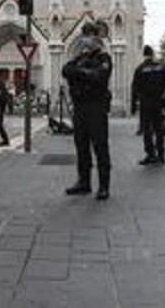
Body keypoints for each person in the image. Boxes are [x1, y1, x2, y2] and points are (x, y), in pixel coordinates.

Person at [61, 23, 113, 199]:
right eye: (84, 35)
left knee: (100, 146)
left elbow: (100, 76)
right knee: (81, 146)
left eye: (89, 35)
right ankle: (84, 182)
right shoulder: (80, 58)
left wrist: (80, 73)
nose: (86, 39)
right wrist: (85, 72)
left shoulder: (104, 58)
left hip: (96, 107)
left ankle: (104, 186)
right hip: (80, 107)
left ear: (96, 37)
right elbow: (65, 70)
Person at [131, 45, 165, 165]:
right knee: (159, 129)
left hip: (145, 103)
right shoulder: (161, 67)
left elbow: (134, 88)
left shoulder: (140, 69)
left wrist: (133, 106)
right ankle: (161, 155)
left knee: (147, 130)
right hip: (158, 102)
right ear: (152, 54)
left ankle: (150, 155)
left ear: (144, 55)